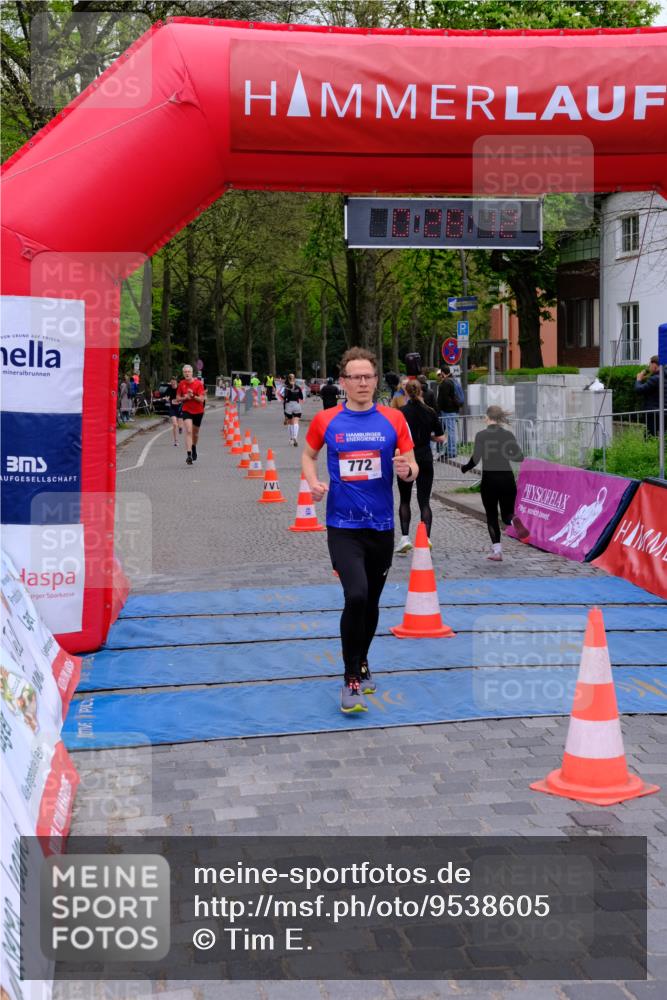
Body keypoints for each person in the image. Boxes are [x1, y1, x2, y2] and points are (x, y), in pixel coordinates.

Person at [302, 347, 418, 714]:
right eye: (355, 376)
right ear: (344, 382)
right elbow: (308, 455)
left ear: (375, 379)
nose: (363, 382)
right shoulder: (327, 421)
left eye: (368, 375)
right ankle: (351, 676)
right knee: (355, 596)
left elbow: (413, 465)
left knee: (371, 602)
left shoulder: (394, 420)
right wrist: (313, 482)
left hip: (381, 526)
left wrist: (407, 472)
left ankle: (363, 659)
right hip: (343, 526)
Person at [461, 406, 529, 561]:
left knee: (491, 515)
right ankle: (514, 520)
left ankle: (497, 552)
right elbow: (519, 457)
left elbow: (476, 459)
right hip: (507, 479)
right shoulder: (508, 435)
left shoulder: (481, 435)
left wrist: (465, 468)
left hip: (489, 481)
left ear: (488, 417)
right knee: (506, 515)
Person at [395, 380, 446, 554]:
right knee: (424, 501)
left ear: (406, 393)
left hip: (406, 458)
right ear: (421, 392)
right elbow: (440, 436)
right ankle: (426, 538)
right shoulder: (430, 412)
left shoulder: (400, 413)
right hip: (425, 457)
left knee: (404, 499)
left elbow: (396, 436)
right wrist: (429, 437)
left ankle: (404, 538)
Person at [176, 364, 206, 465]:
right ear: (183, 373)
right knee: (188, 430)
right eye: (185, 372)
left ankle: (193, 447)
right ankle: (189, 455)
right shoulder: (181, 384)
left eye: (189, 372)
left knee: (195, 433)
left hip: (198, 410)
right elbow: (178, 398)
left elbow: (201, 399)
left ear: (192, 373)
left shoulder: (198, 384)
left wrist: (192, 395)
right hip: (186, 410)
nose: (187, 373)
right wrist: (185, 398)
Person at [635, 356, 665, 436]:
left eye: (649, 365)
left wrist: (638, 379)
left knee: (650, 437)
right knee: (663, 437)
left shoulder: (655, 379)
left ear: (654, 365)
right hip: (664, 412)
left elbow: (639, 390)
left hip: (653, 414)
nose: (649, 367)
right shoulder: (662, 377)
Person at [436, 365, 461, 460]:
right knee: (450, 431)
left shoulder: (445, 383)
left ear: (442, 373)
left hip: (447, 411)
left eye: (440, 374)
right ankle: (450, 450)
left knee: (450, 432)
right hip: (452, 410)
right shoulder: (453, 380)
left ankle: (451, 451)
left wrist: (439, 409)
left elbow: (443, 399)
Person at [283, 373, 304, 447]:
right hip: (296, 405)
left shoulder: (287, 388)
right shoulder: (298, 387)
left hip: (289, 405)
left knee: (290, 422)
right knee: (296, 422)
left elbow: (285, 398)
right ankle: (295, 437)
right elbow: (301, 397)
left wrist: (285, 413)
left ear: (288, 379)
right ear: (294, 379)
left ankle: (291, 439)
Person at [165, 376, 182, 445]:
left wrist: (180, 399)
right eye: (171, 382)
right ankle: (176, 440)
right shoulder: (169, 388)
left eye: (174, 382)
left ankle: (180, 428)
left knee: (180, 425)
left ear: (176, 382)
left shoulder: (180, 388)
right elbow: (167, 396)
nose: (173, 384)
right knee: (175, 424)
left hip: (180, 407)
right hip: (172, 408)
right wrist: (167, 398)